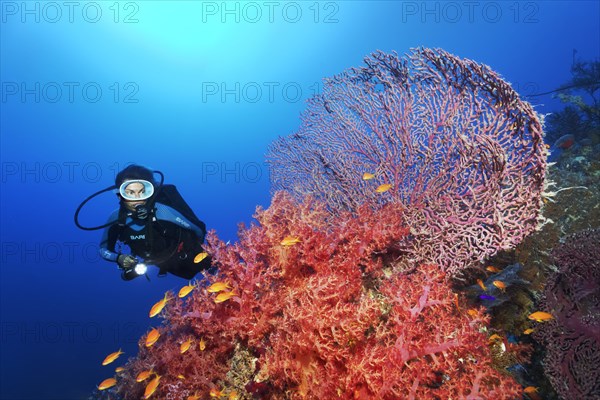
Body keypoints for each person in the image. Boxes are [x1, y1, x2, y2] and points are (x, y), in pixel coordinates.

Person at [96, 165, 211, 281]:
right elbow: (103, 250)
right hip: (161, 265)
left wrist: (192, 248)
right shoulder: (116, 217)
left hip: (190, 256)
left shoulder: (163, 211)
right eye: (130, 193)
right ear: (119, 196)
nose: (137, 198)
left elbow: (198, 230)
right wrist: (119, 258)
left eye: (142, 192)